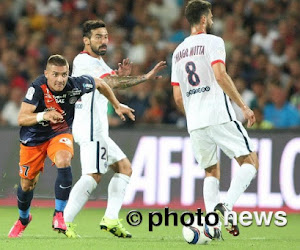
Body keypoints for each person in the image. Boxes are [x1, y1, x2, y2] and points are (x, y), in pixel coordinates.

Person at [8, 54, 135, 238]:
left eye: (64, 74)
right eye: (55, 75)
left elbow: (100, 83)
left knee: (64, 160)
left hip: (59, 133)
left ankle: (59, 215)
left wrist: (116, 105)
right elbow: (22, 118)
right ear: (46, 74)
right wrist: (44, 115)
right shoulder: (37, 87)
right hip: (34, 139)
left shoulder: (75, 85)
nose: (60, 79)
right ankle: (23, 219)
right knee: (27, 185)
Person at [63, 20, 166, 238]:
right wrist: (144, 77)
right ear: (86, 40)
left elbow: (113, 81)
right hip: (90, 127)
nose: (103, 40)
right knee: (93, 175)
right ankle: (64, 221)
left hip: (97, 128)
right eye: (98, 36)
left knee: (125, 168)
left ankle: (110, 219)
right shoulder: (83, 61)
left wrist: (121, 76)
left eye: (105, 36)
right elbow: (112, 84)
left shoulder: (98, 62)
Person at [172, 0, 259, 237]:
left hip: (195, 122)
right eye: (209, 16)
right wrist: (243, 106)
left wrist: (194, 115)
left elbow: (178, 97)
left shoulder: (178, 52)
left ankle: (212, 227)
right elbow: (220, 75)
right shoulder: (213, 42)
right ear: (203, 19)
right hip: (218, 114)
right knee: (250, 162)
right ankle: (227, 205)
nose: (211, 19)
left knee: (211, 172)